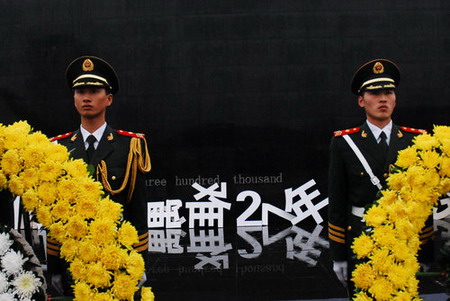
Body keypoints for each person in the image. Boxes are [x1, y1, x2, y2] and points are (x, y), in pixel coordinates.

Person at [327, 59, 434, 297]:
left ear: (395, 98)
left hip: (404, 241)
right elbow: (337, 204)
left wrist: (426, 252)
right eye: (374, 93)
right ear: (361, 100)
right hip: (362, 240)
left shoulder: (416, 140)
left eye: (388, 92)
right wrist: (339, 256)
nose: (382, 99)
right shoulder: (345, 143)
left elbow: (423, 204)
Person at [46, 55, 151, 295]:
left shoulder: (130, 146)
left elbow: (137, 209)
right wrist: (53, 267)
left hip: (117, 260)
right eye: (80, 91)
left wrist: (139, 263)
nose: (86, 97)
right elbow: (53, 216)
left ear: (109, 99)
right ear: (73, 99)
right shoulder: (57, 149)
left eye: (94, 91)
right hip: (73, 261)